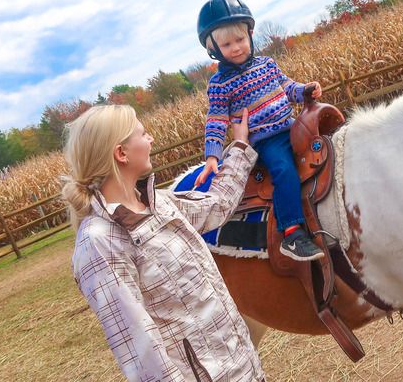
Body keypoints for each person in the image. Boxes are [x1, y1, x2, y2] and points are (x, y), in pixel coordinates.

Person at [62, 104, 265, 382]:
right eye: (142, 134)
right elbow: (139, 348)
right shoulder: (99, 242)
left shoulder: (162, 204)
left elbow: (217, 205)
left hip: (244, 369)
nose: (151, 139)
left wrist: (240, 147)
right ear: (121, 153)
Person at [194, 0, 324, 261]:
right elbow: (217, 120)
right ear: (214, 50)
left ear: (250, 35)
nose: (237, 47)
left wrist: (305, 90)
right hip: (267, 140)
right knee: (284, 170)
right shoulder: (220, 84)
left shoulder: (268, 64)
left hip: (292, 125)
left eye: (240, 40)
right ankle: (292, 232)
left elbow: (288, 88)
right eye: (227, 44)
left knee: (326, 145)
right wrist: (212, 156)